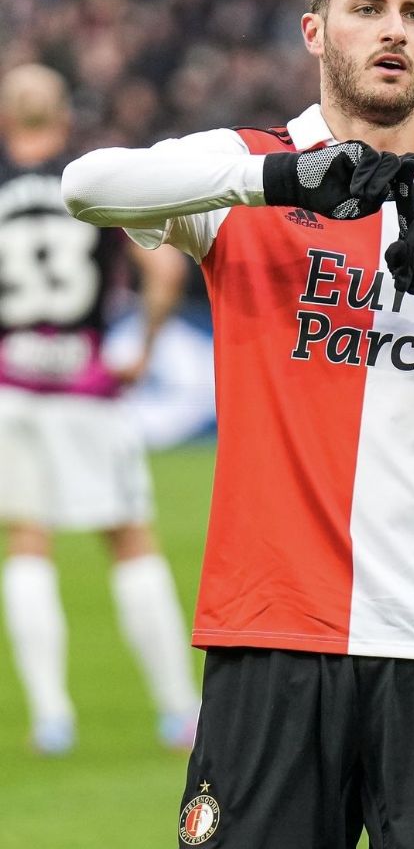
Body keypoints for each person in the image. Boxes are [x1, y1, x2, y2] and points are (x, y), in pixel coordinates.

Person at [63, 0, 414, 849]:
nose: (393, 30)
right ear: (315, 31)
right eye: (368, 9)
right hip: (275, 634)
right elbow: (86, 185)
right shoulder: (247, 173)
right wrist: (272, 181)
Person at [0, 63, 200, 755]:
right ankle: (180, 709)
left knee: (26, 539)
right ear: (62, 116)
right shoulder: (85, 180)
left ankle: (52, 717)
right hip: (86, 384)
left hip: (12, 384)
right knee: (128, 535)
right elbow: (166, 269)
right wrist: (142, 343)